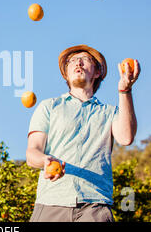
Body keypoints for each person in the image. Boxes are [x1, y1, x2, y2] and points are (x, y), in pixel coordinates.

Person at [26, 44, 140, 222]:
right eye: (72, 61)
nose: (78, 63)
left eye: (85, 60)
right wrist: (44, 160)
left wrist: (125, 90)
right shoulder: (49, 106)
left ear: (97, 73)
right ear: (66, 73)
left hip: (95, 207)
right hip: (52, 202)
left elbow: (126, 138)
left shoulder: (109, 112)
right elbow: (32, 152)